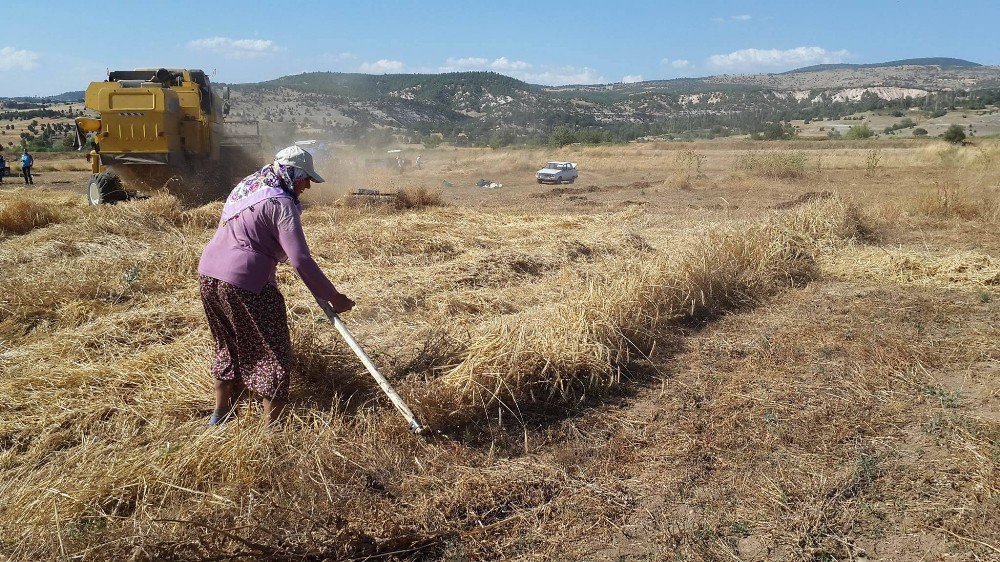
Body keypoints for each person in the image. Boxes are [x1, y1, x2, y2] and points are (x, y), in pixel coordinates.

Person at [198, 146, 355, 425]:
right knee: (273, 353)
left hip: (209, 275)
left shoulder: (248, 186)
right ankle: (273, 434)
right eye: (305, 178)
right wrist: (333, 297)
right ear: (292, 173)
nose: (307, 185)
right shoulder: (281, 202)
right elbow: (300, 259)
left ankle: (219, 416)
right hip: (246, 283)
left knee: (227, 346)